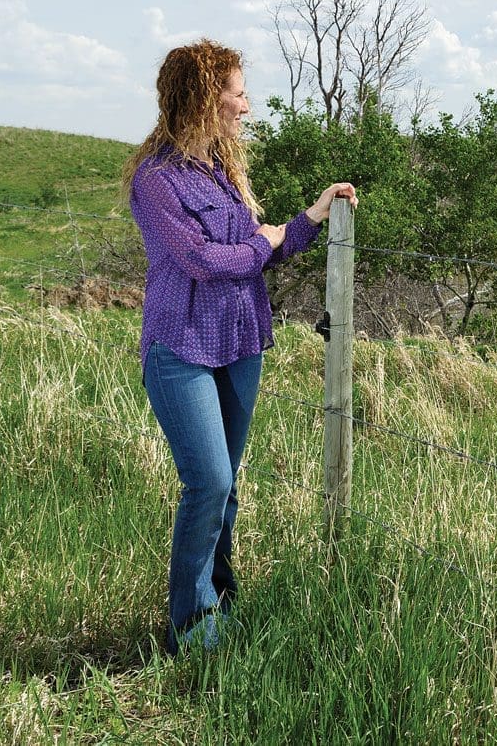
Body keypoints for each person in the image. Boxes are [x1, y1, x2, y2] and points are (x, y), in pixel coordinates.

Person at [121, 39, 356, 655]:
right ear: (204, 98)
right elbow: (202, 260)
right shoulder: (156, 180)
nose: (246, 106)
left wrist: (309, 218)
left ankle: (220, 602)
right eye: (238, 93)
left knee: (227, 485)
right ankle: (190, 629)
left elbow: (262, 246)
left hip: (240, 342)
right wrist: (264, 242)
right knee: (208, 480)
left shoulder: (222, 172)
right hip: (181, 349)